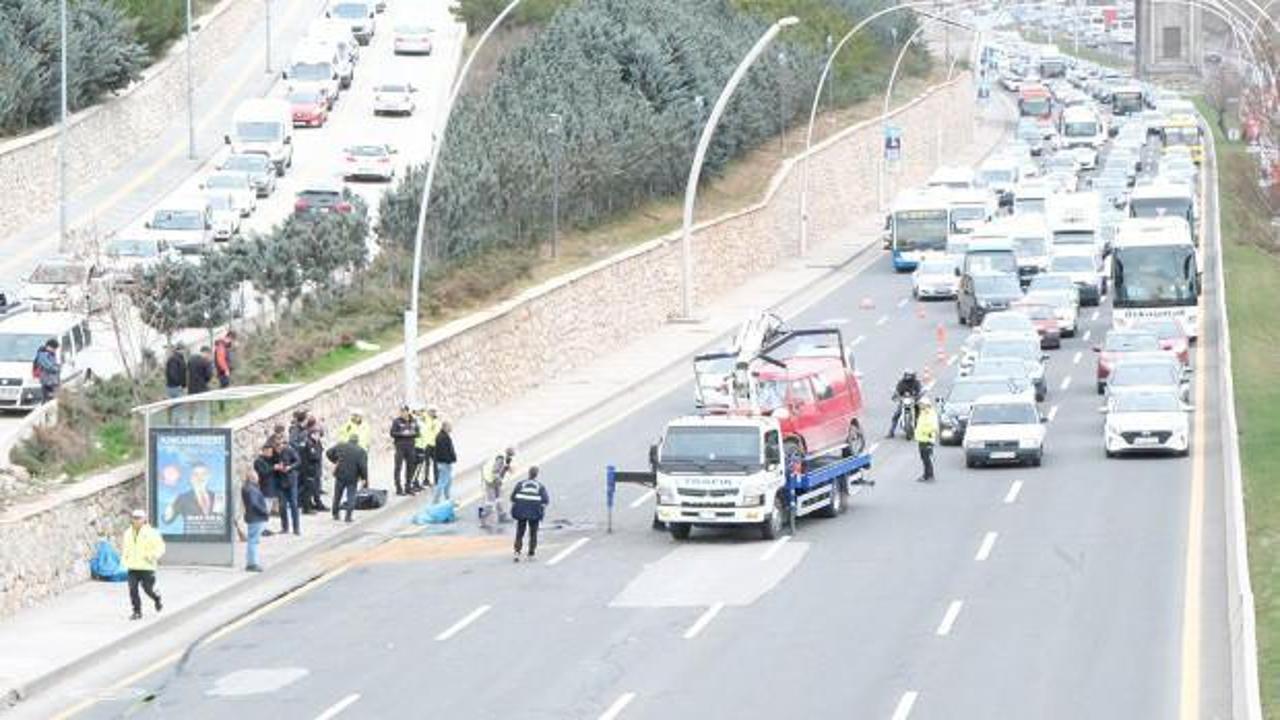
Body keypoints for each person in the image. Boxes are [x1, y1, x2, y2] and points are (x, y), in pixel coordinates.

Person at [121, 509, 165, 619]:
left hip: (147, 566)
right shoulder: (128, 533)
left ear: (144, 519)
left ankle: (157, 598)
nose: (136, 520)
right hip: (133, 566)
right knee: (132, 589)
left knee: (148, 589)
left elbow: (161, 547)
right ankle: (137, 611)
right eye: (134, 518)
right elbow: (126, 548)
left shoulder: (152, 532)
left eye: (139, 518)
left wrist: (152, 556)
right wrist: (124, 560)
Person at [160, 461, 223, 534]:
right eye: (196, 474)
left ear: (208, 476)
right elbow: (167, 520)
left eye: (204, 474)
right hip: (190, 542)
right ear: (191, 478)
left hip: (214, 542)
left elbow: (221, 521)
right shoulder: (183, 498)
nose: (200, 478)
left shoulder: (218, 498)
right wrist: (168, 513)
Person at [510, 466, 549, 562]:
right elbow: (545, 501)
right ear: (537, 475)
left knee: (520, 533)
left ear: (528, 473)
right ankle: (531, 553)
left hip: (521, 512)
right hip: (534, 513)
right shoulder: (540, 486)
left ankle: (517, 553)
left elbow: (512, 498)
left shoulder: (520, 484)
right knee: (533, 533)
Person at [327, 434, 368, 523]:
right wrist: (364, 478)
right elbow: (363, 467)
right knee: (351, 496)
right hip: (352, 476)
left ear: (349, 440)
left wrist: (335, 460)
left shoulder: (341, 445)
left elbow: (328, 452)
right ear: (357, 441)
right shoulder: (361, 451)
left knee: (337, 495)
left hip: (340, 474)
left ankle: (335, 514)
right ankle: (348, 516)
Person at [241, 471, 270, 572]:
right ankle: (252, 564)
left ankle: (251, 562)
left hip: (252, 517)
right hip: (256, 517)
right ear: (252, 478)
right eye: (257, 476)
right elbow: (254, 503)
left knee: (252, 540)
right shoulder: (251, 489)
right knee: (253, 541)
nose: (258, 478)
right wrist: (265, 511)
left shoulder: (247, 487)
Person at [273, 437, 302, 535]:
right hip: (280, 482)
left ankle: (296, 528)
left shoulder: (289, 450)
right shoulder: (274, 454)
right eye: (277, 446)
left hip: (291, 480)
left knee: (294, 504)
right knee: (282, 506)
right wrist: (276, 467)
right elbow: (271, 464)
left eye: (280, 445)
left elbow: (298, 461)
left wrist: (290, 467)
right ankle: (285, 527)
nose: (279, 448)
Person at [389, 405, 420, 496]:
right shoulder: (396, 421)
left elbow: (418, 433)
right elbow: (392, 433)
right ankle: (398, 488)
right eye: (401, 411)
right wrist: (402, 433)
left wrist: (411, 433)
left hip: (411, 446)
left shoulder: (413, 421)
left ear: (408, 411)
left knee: (410, 467)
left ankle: (408, 487)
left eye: (404, 411)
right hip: (400, 447)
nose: (402, 413)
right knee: (398, 467)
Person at [886, 369, 924, 439]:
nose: (908, 377)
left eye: (910, 376)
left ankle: (920, 430)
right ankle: (891, 432)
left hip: (914, 401)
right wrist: (895, 396)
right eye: (907, 375)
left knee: (920, 413)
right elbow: (897, 391)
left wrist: (919, 396)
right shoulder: (901, 383)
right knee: (896, 415)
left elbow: (920, 391)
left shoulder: (916, 383)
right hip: (904, 401)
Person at [186, 346, 214, 426]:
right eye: (209, 354)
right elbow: (208, 376)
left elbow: (187, 372)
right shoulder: (206, 362)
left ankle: (192, 423)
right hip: (202, 388)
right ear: (206, 352)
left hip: (191, 388)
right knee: (202, 408)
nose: (209, 356)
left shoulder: (191, 360)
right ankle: (202, 424)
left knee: (193, 408)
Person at [413, 405, 440, 488]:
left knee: (436, 463)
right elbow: (419, 413)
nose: (433, 413)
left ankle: (437, 480)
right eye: (431, 411)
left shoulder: (437, 420)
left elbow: (437, 431)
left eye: (434, 411)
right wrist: (418, 411)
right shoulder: (425, 418)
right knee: (426, 463)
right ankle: (425, 480)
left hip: (435, 444)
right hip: (427, 444)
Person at [914, 397, 940, 483]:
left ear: (926, 405)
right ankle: (925, 475)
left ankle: (930, 476)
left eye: (921, 404)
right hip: (921, 439)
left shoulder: (930, 414)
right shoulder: (923, 413)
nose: (920, 406)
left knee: (927, 458)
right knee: (924, 458)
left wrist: (925, 432)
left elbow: (933, 427)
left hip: (927, 439)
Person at [432, 421, 456, 503]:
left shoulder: (444, 436)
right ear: (445, 427)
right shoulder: (441, 437)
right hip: (444, 463)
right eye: (449, 426)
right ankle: (435, 502)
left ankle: (447, 499)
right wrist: (450, 460)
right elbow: (443, 451)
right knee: (442, 483)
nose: (451, 428)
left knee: (448, 482)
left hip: (445, 463)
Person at [32, 338, 60, 403]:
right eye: (54, 348)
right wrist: (57, 368)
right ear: (49, 346)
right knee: (47, 400)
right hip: (47, 380)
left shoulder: (49, 353)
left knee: (51, 399)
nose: (55, 350)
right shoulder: (43, 354)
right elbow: (48, 366)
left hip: (51, 380)